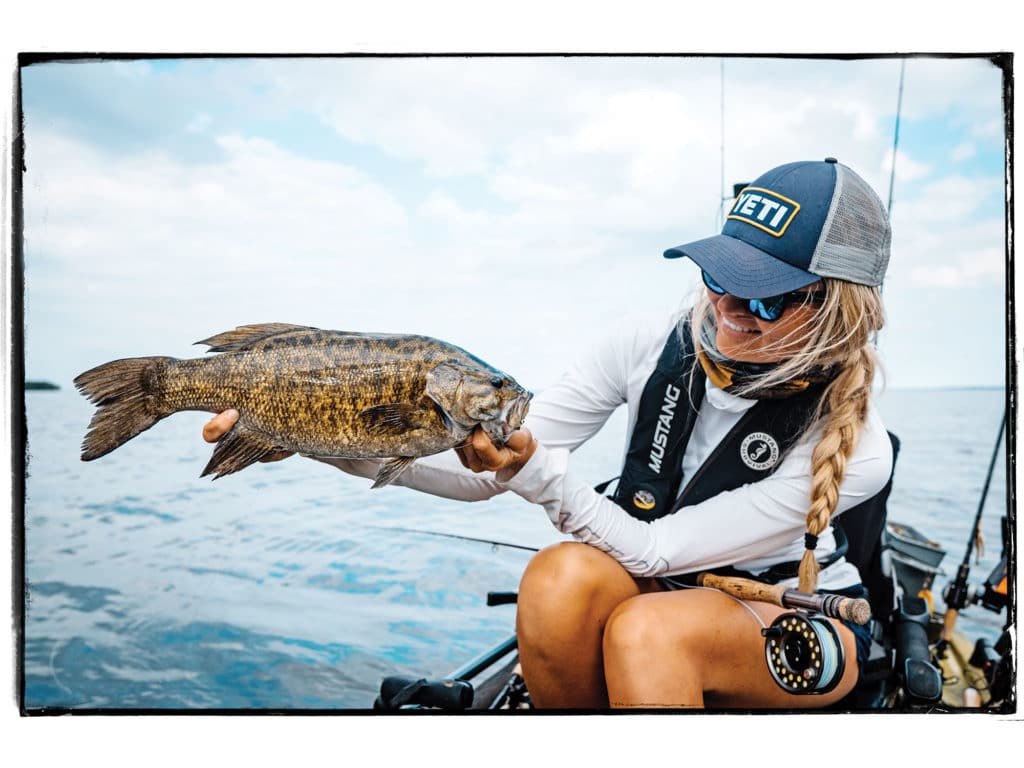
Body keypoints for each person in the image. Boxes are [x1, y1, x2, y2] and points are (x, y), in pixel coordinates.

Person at [203, 158, 893, 709]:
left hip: (791, 619)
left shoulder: (859, 447)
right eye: (719, 275)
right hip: (652, 586)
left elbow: (656, 550)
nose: (729, 307)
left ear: (837, 308)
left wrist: (535, 473)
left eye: (768, 295)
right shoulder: (644, 345)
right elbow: (482, 472)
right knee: (557, 578)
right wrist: (321, 439)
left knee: (651, 635)